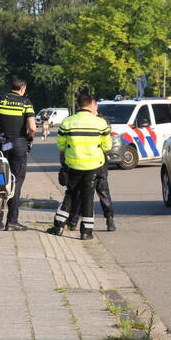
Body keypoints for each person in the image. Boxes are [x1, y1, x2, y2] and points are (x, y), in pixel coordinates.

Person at [48, 93, 110, 240]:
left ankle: (59, 226)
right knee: (88, 197)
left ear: (78, 105)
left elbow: (60, 145)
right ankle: (86, 232)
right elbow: (107, 146)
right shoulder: (101, 123)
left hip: (73, 165)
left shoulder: (67, 122)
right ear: (91, 104)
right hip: (93, 165)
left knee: (70, 194)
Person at [0, 77, 36, 231]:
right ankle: (12, 221)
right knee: (15, 181)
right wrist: (29, 136)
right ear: (22, 88)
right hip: (19, 144)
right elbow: (32, 127)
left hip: (1, 144)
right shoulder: (26, 102)